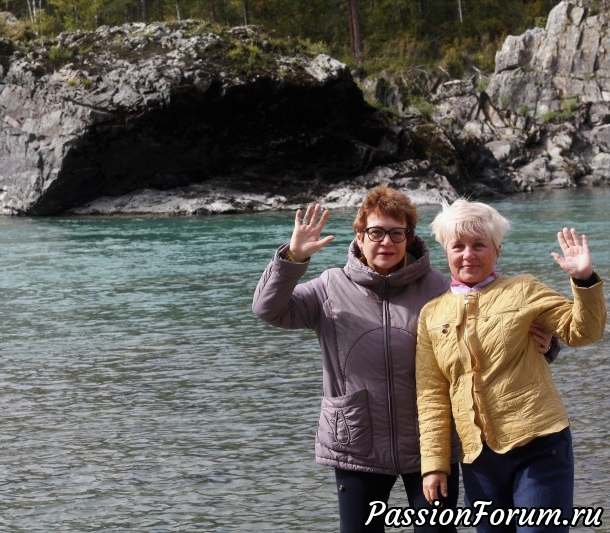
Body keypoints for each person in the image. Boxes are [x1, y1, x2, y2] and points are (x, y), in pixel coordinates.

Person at [251, 186, 556, 533]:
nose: (386, 242)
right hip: (356, 443)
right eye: (376, 232)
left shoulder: (440, 289)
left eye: (397, 233)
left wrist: (548, 343)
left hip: (429, 446)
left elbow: (497, 329)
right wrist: (292, 258)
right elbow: (267, 309)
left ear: (409, 238)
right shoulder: (329, 288)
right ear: (360, 235)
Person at [416, 198, 606, 532]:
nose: (468, 254)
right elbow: (431, 395)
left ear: (497, 250)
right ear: (446, 251)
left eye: (479, 245)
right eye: (457, 246)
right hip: (478, 459)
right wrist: (434, 464)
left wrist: (584, 279)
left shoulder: (524, 289)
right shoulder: (432, 314)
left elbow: (583, 332)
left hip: (540, 446)